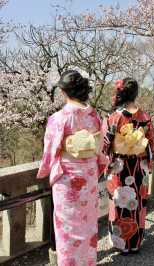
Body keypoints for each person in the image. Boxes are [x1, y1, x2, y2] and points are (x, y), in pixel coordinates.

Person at [37, 70, 107, 266]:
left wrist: (45, 169)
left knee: (68, 228)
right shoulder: (94, 116)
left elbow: (50, 150)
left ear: (63, 91)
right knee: (87, 224)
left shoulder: (58, 118)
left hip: (67, 178)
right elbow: (100, 147)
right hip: (89, 175)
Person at [103, 78, 154, 255]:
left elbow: (105, 145)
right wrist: (147, 164)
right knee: (137, 204)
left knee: (120, 204)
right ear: (135, 94)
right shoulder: (145, 117)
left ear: (120, 93)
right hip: (139, 168)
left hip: (120, 167)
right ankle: (135, 243)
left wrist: (105, 163)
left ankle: (121, 244)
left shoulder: (114, 117)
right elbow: (151, 145)